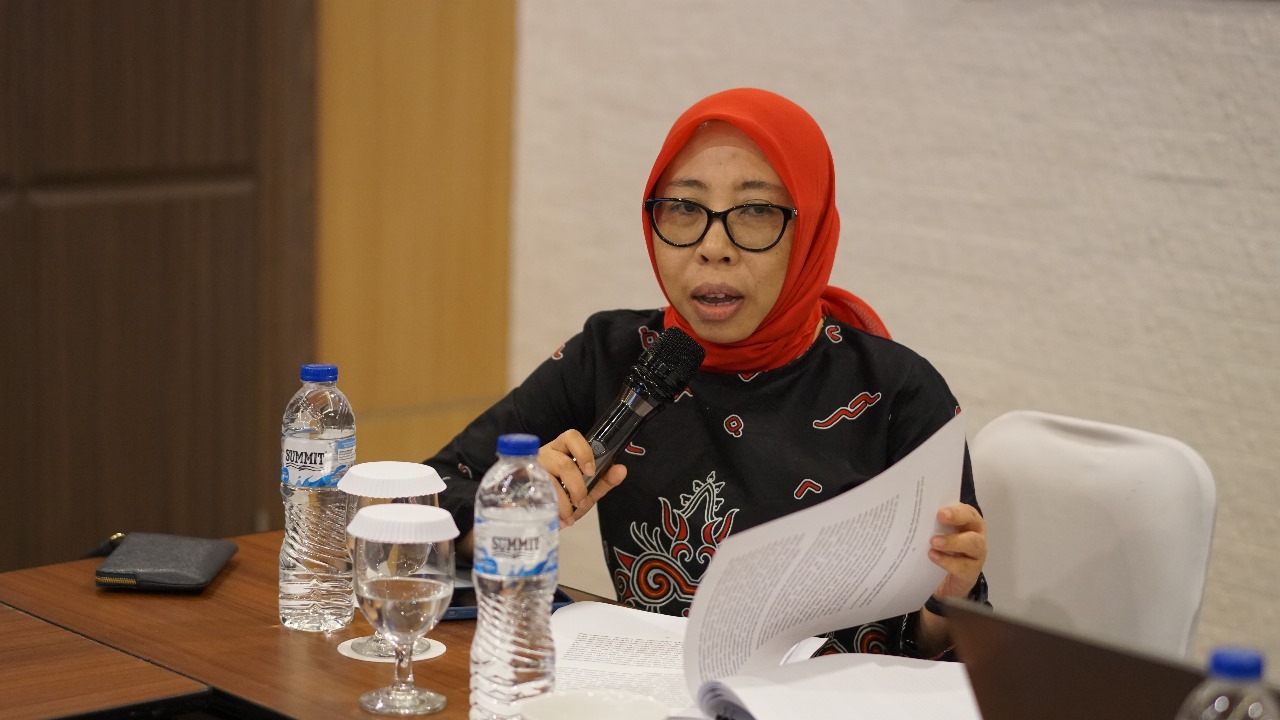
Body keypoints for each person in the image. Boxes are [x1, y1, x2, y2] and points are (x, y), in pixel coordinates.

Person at [426, 87, 987, 660]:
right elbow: (428, 500)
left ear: (811, 228)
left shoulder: (897, 391)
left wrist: (947, 601)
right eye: (685, 208)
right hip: (651, 690)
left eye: (756, 211)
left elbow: (952, 656)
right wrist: (512, 511)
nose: (713, 248)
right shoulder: (613, 355)